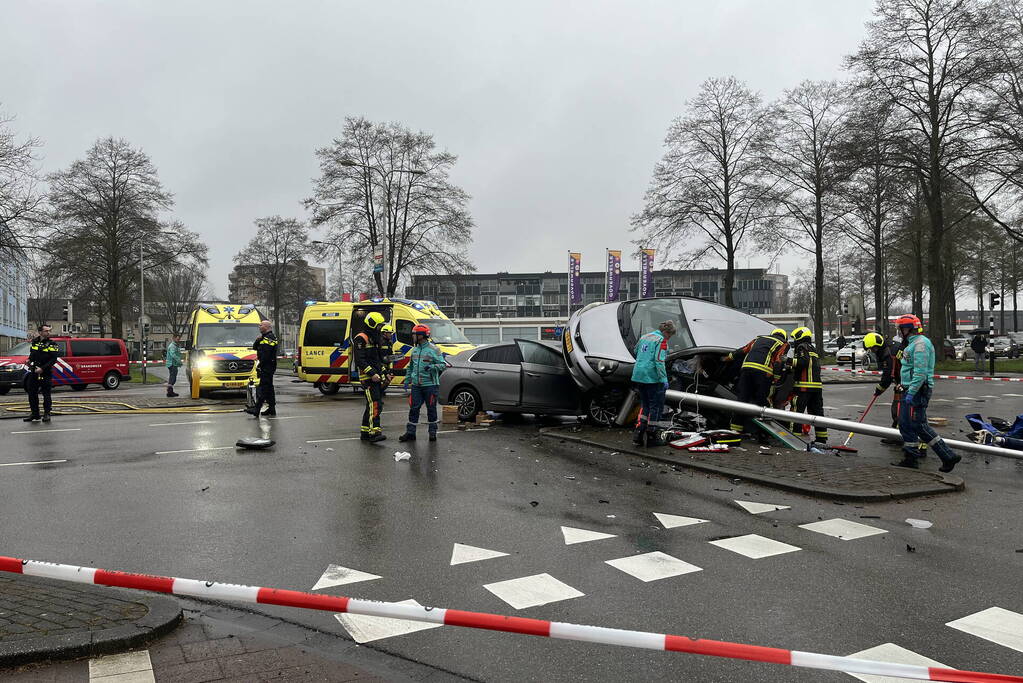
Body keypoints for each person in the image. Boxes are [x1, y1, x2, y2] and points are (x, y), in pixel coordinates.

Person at [893, 314, 961, 472]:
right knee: (906, 424)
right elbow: (909, 368)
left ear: (908, 329)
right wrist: (902, 385)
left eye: (900, 328)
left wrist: (911, 392)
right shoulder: (912, 343)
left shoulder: (920, 345)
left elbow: (920, 373)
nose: (899, 331)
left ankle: (947, 455)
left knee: (917, 425)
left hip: (916, 391)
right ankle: (912, 457)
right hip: (910, 389)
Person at [727, 328, 789, 436]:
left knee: (742, 400)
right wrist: (776, 378)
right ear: (784, 337)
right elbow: (779, 361)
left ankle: (735, 431)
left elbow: (743, 350)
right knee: (762, 402)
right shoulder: (783, 343)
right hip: (763, 372)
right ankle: (763, 433)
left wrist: (727, 357)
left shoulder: (758, 338)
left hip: (746, 369)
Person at [631, 320, 677, 447]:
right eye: (669, 335)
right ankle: (652, 437)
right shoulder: (661, 341)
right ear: (666, 332)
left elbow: (636, 351)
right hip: (652, 378)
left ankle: (638, 435)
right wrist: (664, 379)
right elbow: (659, 361)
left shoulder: (644, 337)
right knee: (656, 407)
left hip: (639, 376)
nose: (669, 338)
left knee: (645, 406)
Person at [399, 324, 446, 442]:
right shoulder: (414, 350)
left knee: (431, 409)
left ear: (422, 336)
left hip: (430, 385)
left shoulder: (434, 349)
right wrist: (407, 379)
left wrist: (432, 366)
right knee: (414, 408)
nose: (413, 337)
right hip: (416, 386)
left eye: (415, 334)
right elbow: (410, 367)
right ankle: (410, 433)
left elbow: (443, 365)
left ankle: (432, 432)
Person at [864, 331, 908, 446]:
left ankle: (900, 437)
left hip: (906, 383)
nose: (872, 352)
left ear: (876, 347)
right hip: (902, 382)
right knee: (897, 409)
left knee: (899, 411)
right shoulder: (887, 348)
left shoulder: (889, 353)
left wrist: (879, 389)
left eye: (872, 349)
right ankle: (895, 435)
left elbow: (888, 375)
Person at [789, 327, 827, 444]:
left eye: (795, 338)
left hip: (804, 387)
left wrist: (788, 361)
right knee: (817, 414)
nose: (794, 341)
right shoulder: (813, 348)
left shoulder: (802, 347)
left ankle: (794, 439)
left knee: (797, 413)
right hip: (816, 387)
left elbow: (803, 362)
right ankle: (821, 439)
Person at [354, 311, 388, 442]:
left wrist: (384, 372)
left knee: (371, 405)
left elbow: (378, 359)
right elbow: (360, 360)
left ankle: (364, 432)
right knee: (375, 404)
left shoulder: (375, 338)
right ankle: (374, 432)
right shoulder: (361, 338)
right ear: (372, 325)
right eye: (379, 326)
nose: (380, 329)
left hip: (376, 377)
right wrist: (372, 373)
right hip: (367, 378)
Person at [24, 324, 59, 423]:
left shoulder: (52, 344)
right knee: (32, 393)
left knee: (46, 394)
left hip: (45, 372)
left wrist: (43, 369)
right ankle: (35, 414)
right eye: (46, 331)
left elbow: (53, 359)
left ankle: (47, 414)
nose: (48, 332)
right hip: (34, 371)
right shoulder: (35, 342)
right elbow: (33, 354)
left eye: (49, 331)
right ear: (40, 332)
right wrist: (28, 360)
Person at [245, 320, 278, 417]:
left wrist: (260, 365)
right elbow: (255, 347)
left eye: (261, 325)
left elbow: (266, 355)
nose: (259, 326)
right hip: (266, 366)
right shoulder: (263, 338)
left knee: (263, 388)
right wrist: (257, 340)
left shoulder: (270, 338)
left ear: (267, 327)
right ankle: (272, 408)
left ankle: (256, 409)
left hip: (268, 366)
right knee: (269, 388)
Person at [165, 333, 183, 398]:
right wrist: (179, 361)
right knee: (173, 378)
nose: (178, 340)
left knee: (173, 378)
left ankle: (170, 391)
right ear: (174, 338)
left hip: (173, 364)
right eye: (177, 338)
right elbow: (173, 355)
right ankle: (169, 392)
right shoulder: (173, 346)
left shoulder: (175, 345)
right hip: (172, 364)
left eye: (179, 339)